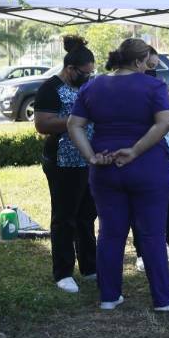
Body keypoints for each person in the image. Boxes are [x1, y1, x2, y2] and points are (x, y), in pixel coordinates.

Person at [67, 38, 169, 311]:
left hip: (105, 168)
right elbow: (164, 122)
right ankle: (163, 298)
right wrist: (134, 150)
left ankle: (109, 296)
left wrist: (91, 156)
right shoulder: (153, 86)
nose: (147, 67)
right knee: (153, 233)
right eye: (146, 62)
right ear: (138, 61)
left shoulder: (92, 85)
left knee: (109, 232)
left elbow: (74, 125)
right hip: (148, 167)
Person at [34, 35, 97, 294]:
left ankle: (90, 267)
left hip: (88, 160)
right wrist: (76, 120)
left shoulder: (87, 86)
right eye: (84, 73)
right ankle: (63, 272)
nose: (88, 77)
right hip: (62, 161)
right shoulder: (51, 88)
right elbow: (42, 123)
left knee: (86, 216)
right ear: (70, 69)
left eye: (91, 73)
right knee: (64, 217)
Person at [133, 47, 169, 272]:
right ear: (138, 63)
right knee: (141, 205)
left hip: (167, 149)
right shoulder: (135, 86)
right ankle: (142, 252)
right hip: (144, 149)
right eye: (150, 66)